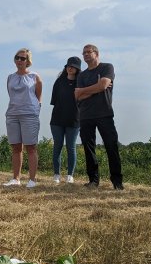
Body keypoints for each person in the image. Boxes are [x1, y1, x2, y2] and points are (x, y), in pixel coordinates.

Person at [75, 45, 123, 190]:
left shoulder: (107, 67)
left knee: (111, 147)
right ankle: (93, 181)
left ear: (96, 53)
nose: (85, 55)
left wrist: (85, 90)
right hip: (85, 115)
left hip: (104, 113)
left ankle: (117, 182)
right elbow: (77, 96)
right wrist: (96, 88)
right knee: (89, 149)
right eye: (84, 53)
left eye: (88, 52)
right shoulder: (82, 75)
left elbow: (103, 85)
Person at [3, 48, 42, 188]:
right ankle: (16, 178)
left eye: (23, 58)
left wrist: (36, 109)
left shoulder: (34, 76)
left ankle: (32, 180)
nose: (19, 60)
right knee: (15, 147)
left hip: (29, 114)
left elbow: (38, 96)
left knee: (30, 147)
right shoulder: (10, 77)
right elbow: (11, 94)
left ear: (28, 61)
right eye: (17, 57)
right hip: (12, 114)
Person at [50, 56, 81, 184]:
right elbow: (54, 101)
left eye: (73, 66)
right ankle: (56, 174)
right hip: (57, 119)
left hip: (74, 120)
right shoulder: (59, 82)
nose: (70, 67)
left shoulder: (81, 83)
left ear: (78, 69)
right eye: (68, 65)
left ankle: (70, 175)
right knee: (57, 146)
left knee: (71, 147)